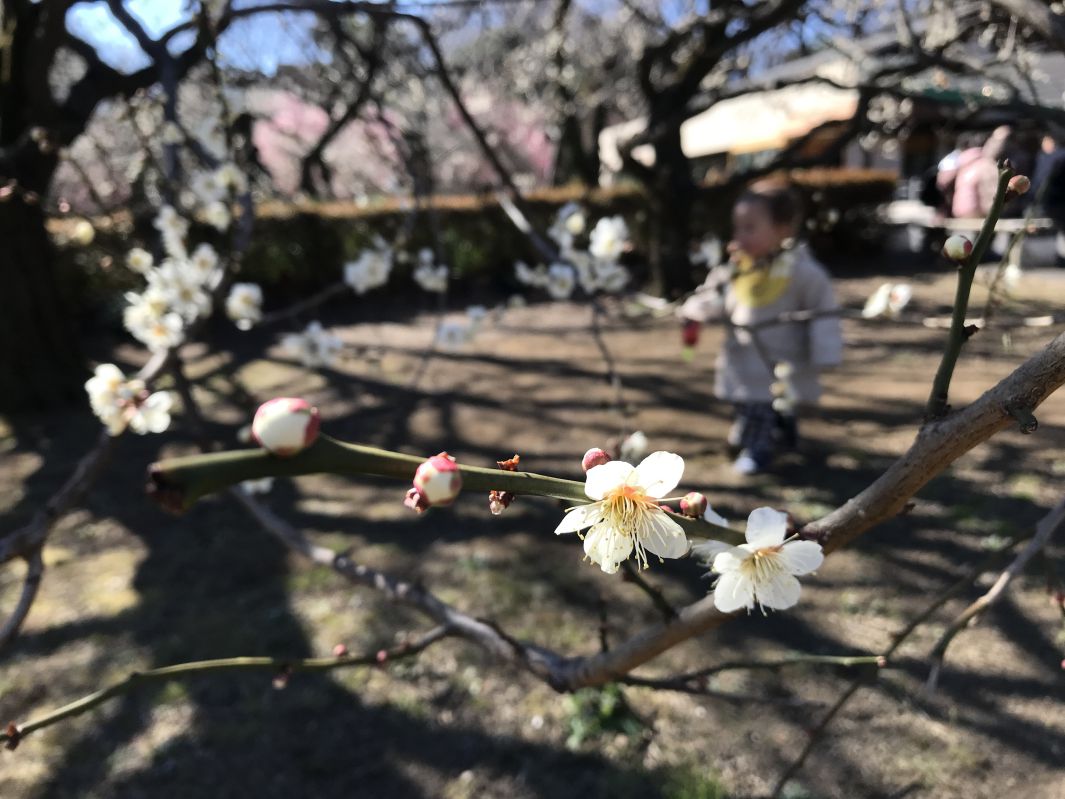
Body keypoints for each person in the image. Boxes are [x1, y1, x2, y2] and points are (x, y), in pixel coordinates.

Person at [680, 181, 843, 475]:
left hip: (779, 360)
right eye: (737, 228)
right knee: (748, 403)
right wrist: (694, 311)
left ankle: (759, 450)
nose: (740, 236)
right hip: (741, 355)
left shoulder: (801, 271)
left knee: (767, 404)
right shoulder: (735, 269)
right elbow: (713, 295)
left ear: (783, 229)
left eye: (750, 228)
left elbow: (824, 310)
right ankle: (765, 434)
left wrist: (826, 350)